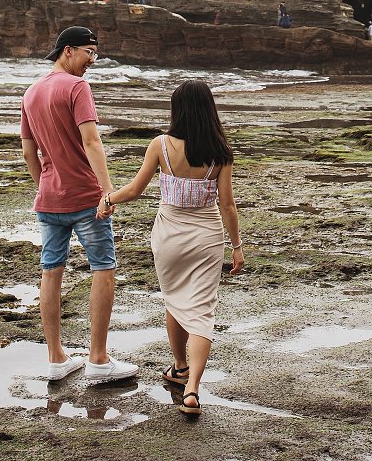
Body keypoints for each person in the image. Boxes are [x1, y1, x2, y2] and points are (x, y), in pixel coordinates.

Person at [98, 79, 244, 416]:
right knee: (202, 311)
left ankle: (180, 366)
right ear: (210, 110)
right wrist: (236, 246)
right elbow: (228, 207)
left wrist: (108, 198)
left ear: (177, 110)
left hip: (169, 237)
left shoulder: (160, 145)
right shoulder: (220, 152)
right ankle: (191, 386)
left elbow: (134, 190)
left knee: (174, 298)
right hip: (208, 237)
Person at [20, 26, 137, 384]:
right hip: (87, 197)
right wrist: (107, 191)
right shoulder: (76, 87)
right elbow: (92, 141)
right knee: (103, 268)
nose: (92, 61)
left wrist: (45, 186)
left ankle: (57, 358)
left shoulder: (31, 92)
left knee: (51, 270)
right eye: (90, 52)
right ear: (68, 50)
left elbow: (28, 151)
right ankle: (98, 359)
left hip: (50, 199)